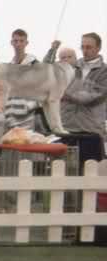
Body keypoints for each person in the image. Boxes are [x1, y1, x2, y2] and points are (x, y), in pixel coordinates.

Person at [61, 32, 107, 169]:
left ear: (98, 48)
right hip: (68, 129)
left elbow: (92, 97)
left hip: (90, 131)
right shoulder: (71, 67)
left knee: (90, 177)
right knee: (66, 174)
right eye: (82, 47)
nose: (85, 51)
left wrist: (66, 94)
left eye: (89, 47)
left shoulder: (104, 72)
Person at [4, 29, 41, 131]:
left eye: (21, 41)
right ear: (11, 43)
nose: (18, 44)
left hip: (27, 119)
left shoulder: (35, 65)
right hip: (9, 118)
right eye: (15, 41)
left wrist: (28, 107)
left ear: (26, 43)